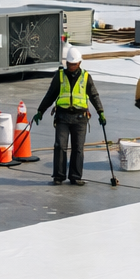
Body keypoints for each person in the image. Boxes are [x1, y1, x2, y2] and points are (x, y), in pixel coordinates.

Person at [33, 45, 105, 186]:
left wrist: (100, 112)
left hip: (80, 118)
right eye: (69, 64)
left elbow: (94, 95)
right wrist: (40, 111)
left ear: (79, 63)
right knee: (60, 146)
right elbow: (50, 95)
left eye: (74, 64)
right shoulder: (59, 76)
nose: (71, 67)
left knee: (78, 148)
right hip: (63, 117)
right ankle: (59, 176)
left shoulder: (86, 77)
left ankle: (75, 176)